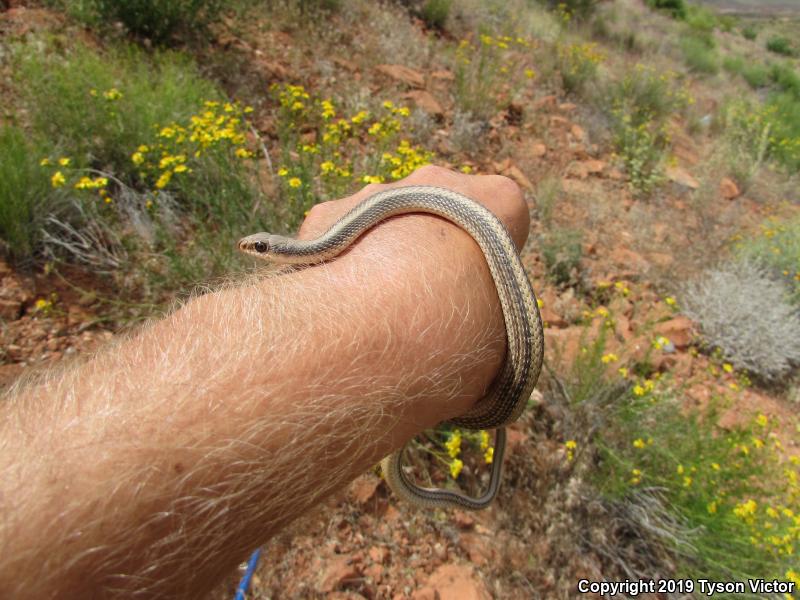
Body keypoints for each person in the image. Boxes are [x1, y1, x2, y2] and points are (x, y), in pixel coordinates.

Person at [0, 166, 529, 598]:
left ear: (272, 250)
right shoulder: (322, 243)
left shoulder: (320, 243)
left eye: (257, 248)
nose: (250, 249)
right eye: (257, 246)